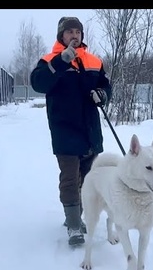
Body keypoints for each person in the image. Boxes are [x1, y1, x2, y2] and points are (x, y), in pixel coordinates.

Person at [30, 17, 112, 246]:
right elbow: (38, 83)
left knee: (86, 178)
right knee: (69, 177)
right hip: (64, 128)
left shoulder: (94, 61)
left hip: (90, 130)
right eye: (69, 32)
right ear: (61, 36)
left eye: (78, 32)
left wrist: (102, 95)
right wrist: (62, 61)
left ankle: (75, 217)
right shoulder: (49, 60)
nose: (74, 36)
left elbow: (106, 85)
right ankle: (74, 226)